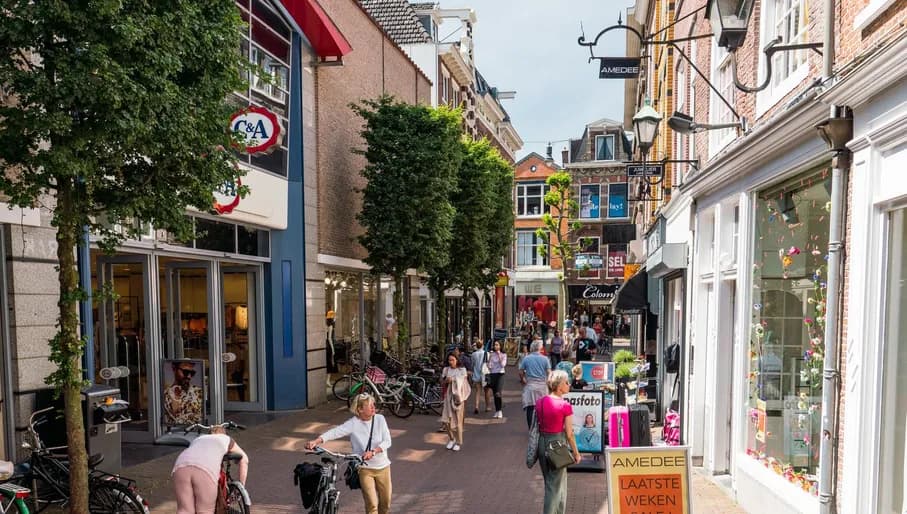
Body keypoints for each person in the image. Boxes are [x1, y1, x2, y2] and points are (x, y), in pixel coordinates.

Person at [307, 394, 393, 514]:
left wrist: (374, 451)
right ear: (360, 409)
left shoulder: (380, 419)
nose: (374, 407)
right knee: (372, 504)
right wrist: (317, 441)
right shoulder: (353, 423)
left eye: (374, 404)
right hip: (364, 469)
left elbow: (387, 441)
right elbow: (335, 432)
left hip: (383, 467)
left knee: (386, 503)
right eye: (370, 405)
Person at [172, 426, 249, 514]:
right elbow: (244, 459)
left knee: (184, 510)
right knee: (205, 511)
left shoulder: (199, 438)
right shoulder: (226, 439)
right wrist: (240, 487)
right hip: (205, 468)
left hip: (181, 464)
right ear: (223, 433)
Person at [535, 370, 581, 514]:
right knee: (553, 486)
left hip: (542, 444)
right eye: (567, 382)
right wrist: (576, 452)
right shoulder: (565, 405)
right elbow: (569, 433)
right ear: (560, 386)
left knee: (553, 483)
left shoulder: (540, 402)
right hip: (558, 445)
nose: (569, 385)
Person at [441, 353, 470, 451]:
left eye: (452, 360)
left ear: (457, 360)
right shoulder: (446, 370)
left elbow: (464, 382)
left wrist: (453, 380)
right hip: (448, 396)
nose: (451, 362)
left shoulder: (462, 370)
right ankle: (452, 438)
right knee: (445, 420)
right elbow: (442, 381)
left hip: (458, 398)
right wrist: (446, 381)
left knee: (458, 420)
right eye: (449, 360)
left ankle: (459, 441)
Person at [519, 340, 551, 428]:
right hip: (542, 386)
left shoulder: (527, 358)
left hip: (530, 385)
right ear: (540, 348)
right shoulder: (545, 359)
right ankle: (542, 426)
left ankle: (531, 428)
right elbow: (549, 372)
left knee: (530, 407)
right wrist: (548, 382)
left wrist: (523, 380)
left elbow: (521, 372)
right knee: (543, 408)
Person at [164, 361, 204, 426]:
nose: (189, 376)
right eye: (185, 372)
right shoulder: (164, 395)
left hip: (192, 433)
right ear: (174, 369)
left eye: (192, 373)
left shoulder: (198, 393)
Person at [469, 339, 491, 415]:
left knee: (478, 391)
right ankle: (487, 406)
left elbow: (472, 364)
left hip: (476, 374)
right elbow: (489, 364)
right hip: (485, 374)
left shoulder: (473, 354)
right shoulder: (487, 353)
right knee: (486, 391)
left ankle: (476, 406)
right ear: (483, 346)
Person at [487, 340, 507, 418]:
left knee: (498, 393)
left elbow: (503, 365)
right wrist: (489, 364)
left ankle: (500, 411)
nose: (495, 346)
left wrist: (499, 356)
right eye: (495, 345)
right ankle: (497, 411)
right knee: (495, 393)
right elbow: (490, 365)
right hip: (493, 374)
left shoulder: (504, 354)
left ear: (500, 346)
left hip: (500, 374)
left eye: (497, 345)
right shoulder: (492, 354)